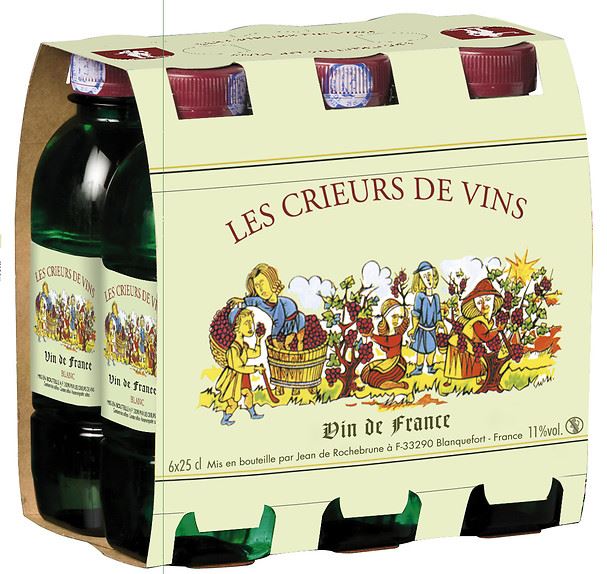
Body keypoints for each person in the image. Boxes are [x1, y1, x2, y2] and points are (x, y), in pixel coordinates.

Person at [229, 263, 306, 351]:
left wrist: (274, 338)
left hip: (293, 319)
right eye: (257, 286)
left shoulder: (279, 306)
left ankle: (300, 355)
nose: (261, 289)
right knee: (284, 345)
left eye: (263, 283)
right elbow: (252, 301)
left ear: (271, 281)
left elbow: (279, 321)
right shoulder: (260, 301)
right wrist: (240, 300)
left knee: (295, 342)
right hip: (281, 327)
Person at [444, 278, 504, 382]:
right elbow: (485, 336)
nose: (484, 305)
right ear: (474, 305)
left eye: (488, 299)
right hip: (464, 343)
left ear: (494, 301)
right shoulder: (478, 321)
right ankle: (455, 379)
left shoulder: (488, 320)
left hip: (472, 343)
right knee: (470, 360)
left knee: (476, 359)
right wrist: (497, 330)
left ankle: (477, 378)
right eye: (479, 302)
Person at [216, 308, 265, 426]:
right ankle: (225, 419)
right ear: (236, 327)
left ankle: (253, 414)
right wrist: (255, 368)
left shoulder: (244, 346)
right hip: (233, 379)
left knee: (249, 394)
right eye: (246, 323)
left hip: (242, 377)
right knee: (233, 403)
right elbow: (238, 367)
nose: (251, 327)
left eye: (251, 323)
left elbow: (256, 353)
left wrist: (258, 340)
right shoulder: (233, 349)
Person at [360, 298, 414, 399]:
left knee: (373, 378)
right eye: (394, 316)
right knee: (365, 373)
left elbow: (387, 342)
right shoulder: (388, 333)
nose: (397, 320)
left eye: (401, 317)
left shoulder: (397, 336)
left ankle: (400, 385)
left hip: (398, 364)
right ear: (385, 316)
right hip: (389, 362)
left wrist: (372, 336)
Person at [408, 261, 446, 375]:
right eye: (425, 276)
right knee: (420, 350)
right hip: (421, 329)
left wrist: (439, 322)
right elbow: (416, 314)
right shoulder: (420, 296)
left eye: (429, 275)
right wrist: (413, 328)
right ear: (420, 280)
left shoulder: (436, 297)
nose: (428, 279)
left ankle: (430, 367)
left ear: (434, 276)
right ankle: (419, 368)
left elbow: (438, 313)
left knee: (432, 350)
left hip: (432, 330)